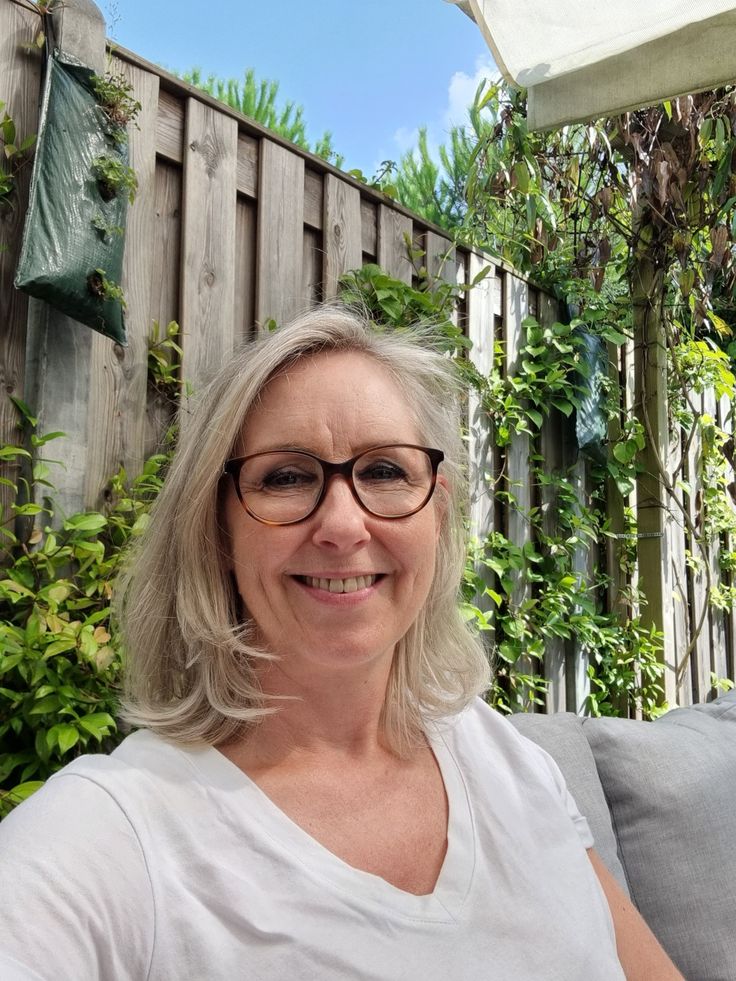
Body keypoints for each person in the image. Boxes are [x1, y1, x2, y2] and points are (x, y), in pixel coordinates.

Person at [0, 307, 681, 980]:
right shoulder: (117, 834)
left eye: (384, 471)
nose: (343, 525)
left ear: (438, 514)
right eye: (286, 476)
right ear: (216, 528)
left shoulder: (512, 765)